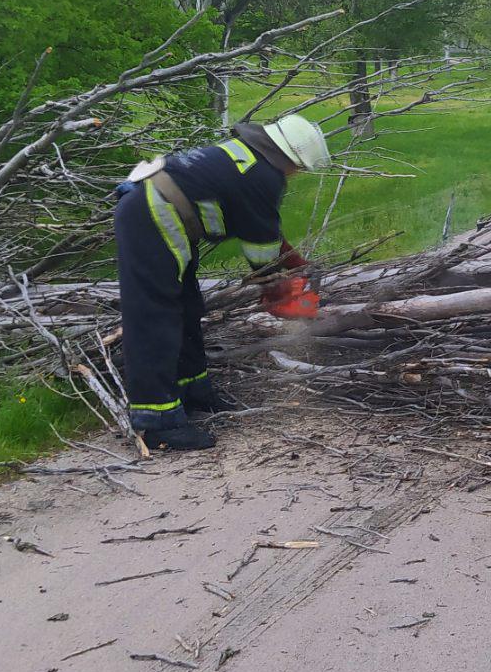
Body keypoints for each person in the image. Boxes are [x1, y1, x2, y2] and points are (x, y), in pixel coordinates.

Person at [113, 116, 329, 451]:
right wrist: (287, 296)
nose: (296, 174)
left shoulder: (247, 157)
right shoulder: (263, 175)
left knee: (186, 307)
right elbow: (262, 257)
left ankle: (193, 391)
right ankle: (156, 423)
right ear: (290, 157)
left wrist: (292, 262)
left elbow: (257, 224)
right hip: (151, 215)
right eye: (298, 167)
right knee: (153, 315)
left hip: (162, 212)